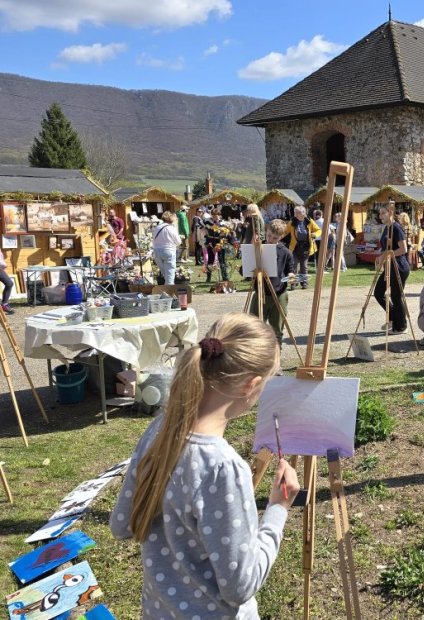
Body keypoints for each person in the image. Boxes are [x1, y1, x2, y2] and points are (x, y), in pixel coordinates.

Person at [110, 313, 300, 619]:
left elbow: (122, 525)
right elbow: (240, 585)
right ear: (250, 386)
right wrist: (278, 508)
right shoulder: (223, 469)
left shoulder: (159, 431)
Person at [249, 220, 295, 360]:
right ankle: (256, 358)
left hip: (278, 293)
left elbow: (290, 271)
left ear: (280, 237)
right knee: (254, 327)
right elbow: (244, 269)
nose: (270, 239)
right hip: (260, 293)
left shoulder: (285, 252)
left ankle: (275, 360)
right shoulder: (258, 247)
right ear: (266, 232)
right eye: (269, 236)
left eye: (274, 238)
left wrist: (292, 276)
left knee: (276, 329)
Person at [374, 204, 409, 333]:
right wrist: (380, 256)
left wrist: (386, 254)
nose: (380, 215)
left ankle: (400, 326)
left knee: (396, 296)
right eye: (380, 213)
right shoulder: (387, 228)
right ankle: (394, 318)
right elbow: (385, 248)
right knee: (378, 292)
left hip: (398, 266)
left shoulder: (396, 228)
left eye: (383, 213)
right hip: (388, 266)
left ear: (390, 213)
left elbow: (403, 249)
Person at [285, 206, 320, 290]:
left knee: (304, 266)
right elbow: (285, 231)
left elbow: (318, 230)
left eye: (297, 213)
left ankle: (304, 283)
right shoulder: (292, 221)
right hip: (295, 247)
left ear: (303, 213)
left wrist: (315, 234)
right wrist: (277, 237)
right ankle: (293, 283)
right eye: (295, 212)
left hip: (306, 247)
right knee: (293, 266)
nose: (295, 214)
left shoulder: (309, 221)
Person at [152, 211, 181, 286]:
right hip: (168, 251)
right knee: (170, 275)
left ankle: (166, 292)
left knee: (165, 274)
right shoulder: (171, 228)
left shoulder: (157, 227)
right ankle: (170, 293)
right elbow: (178, 242)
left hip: (157, 251)